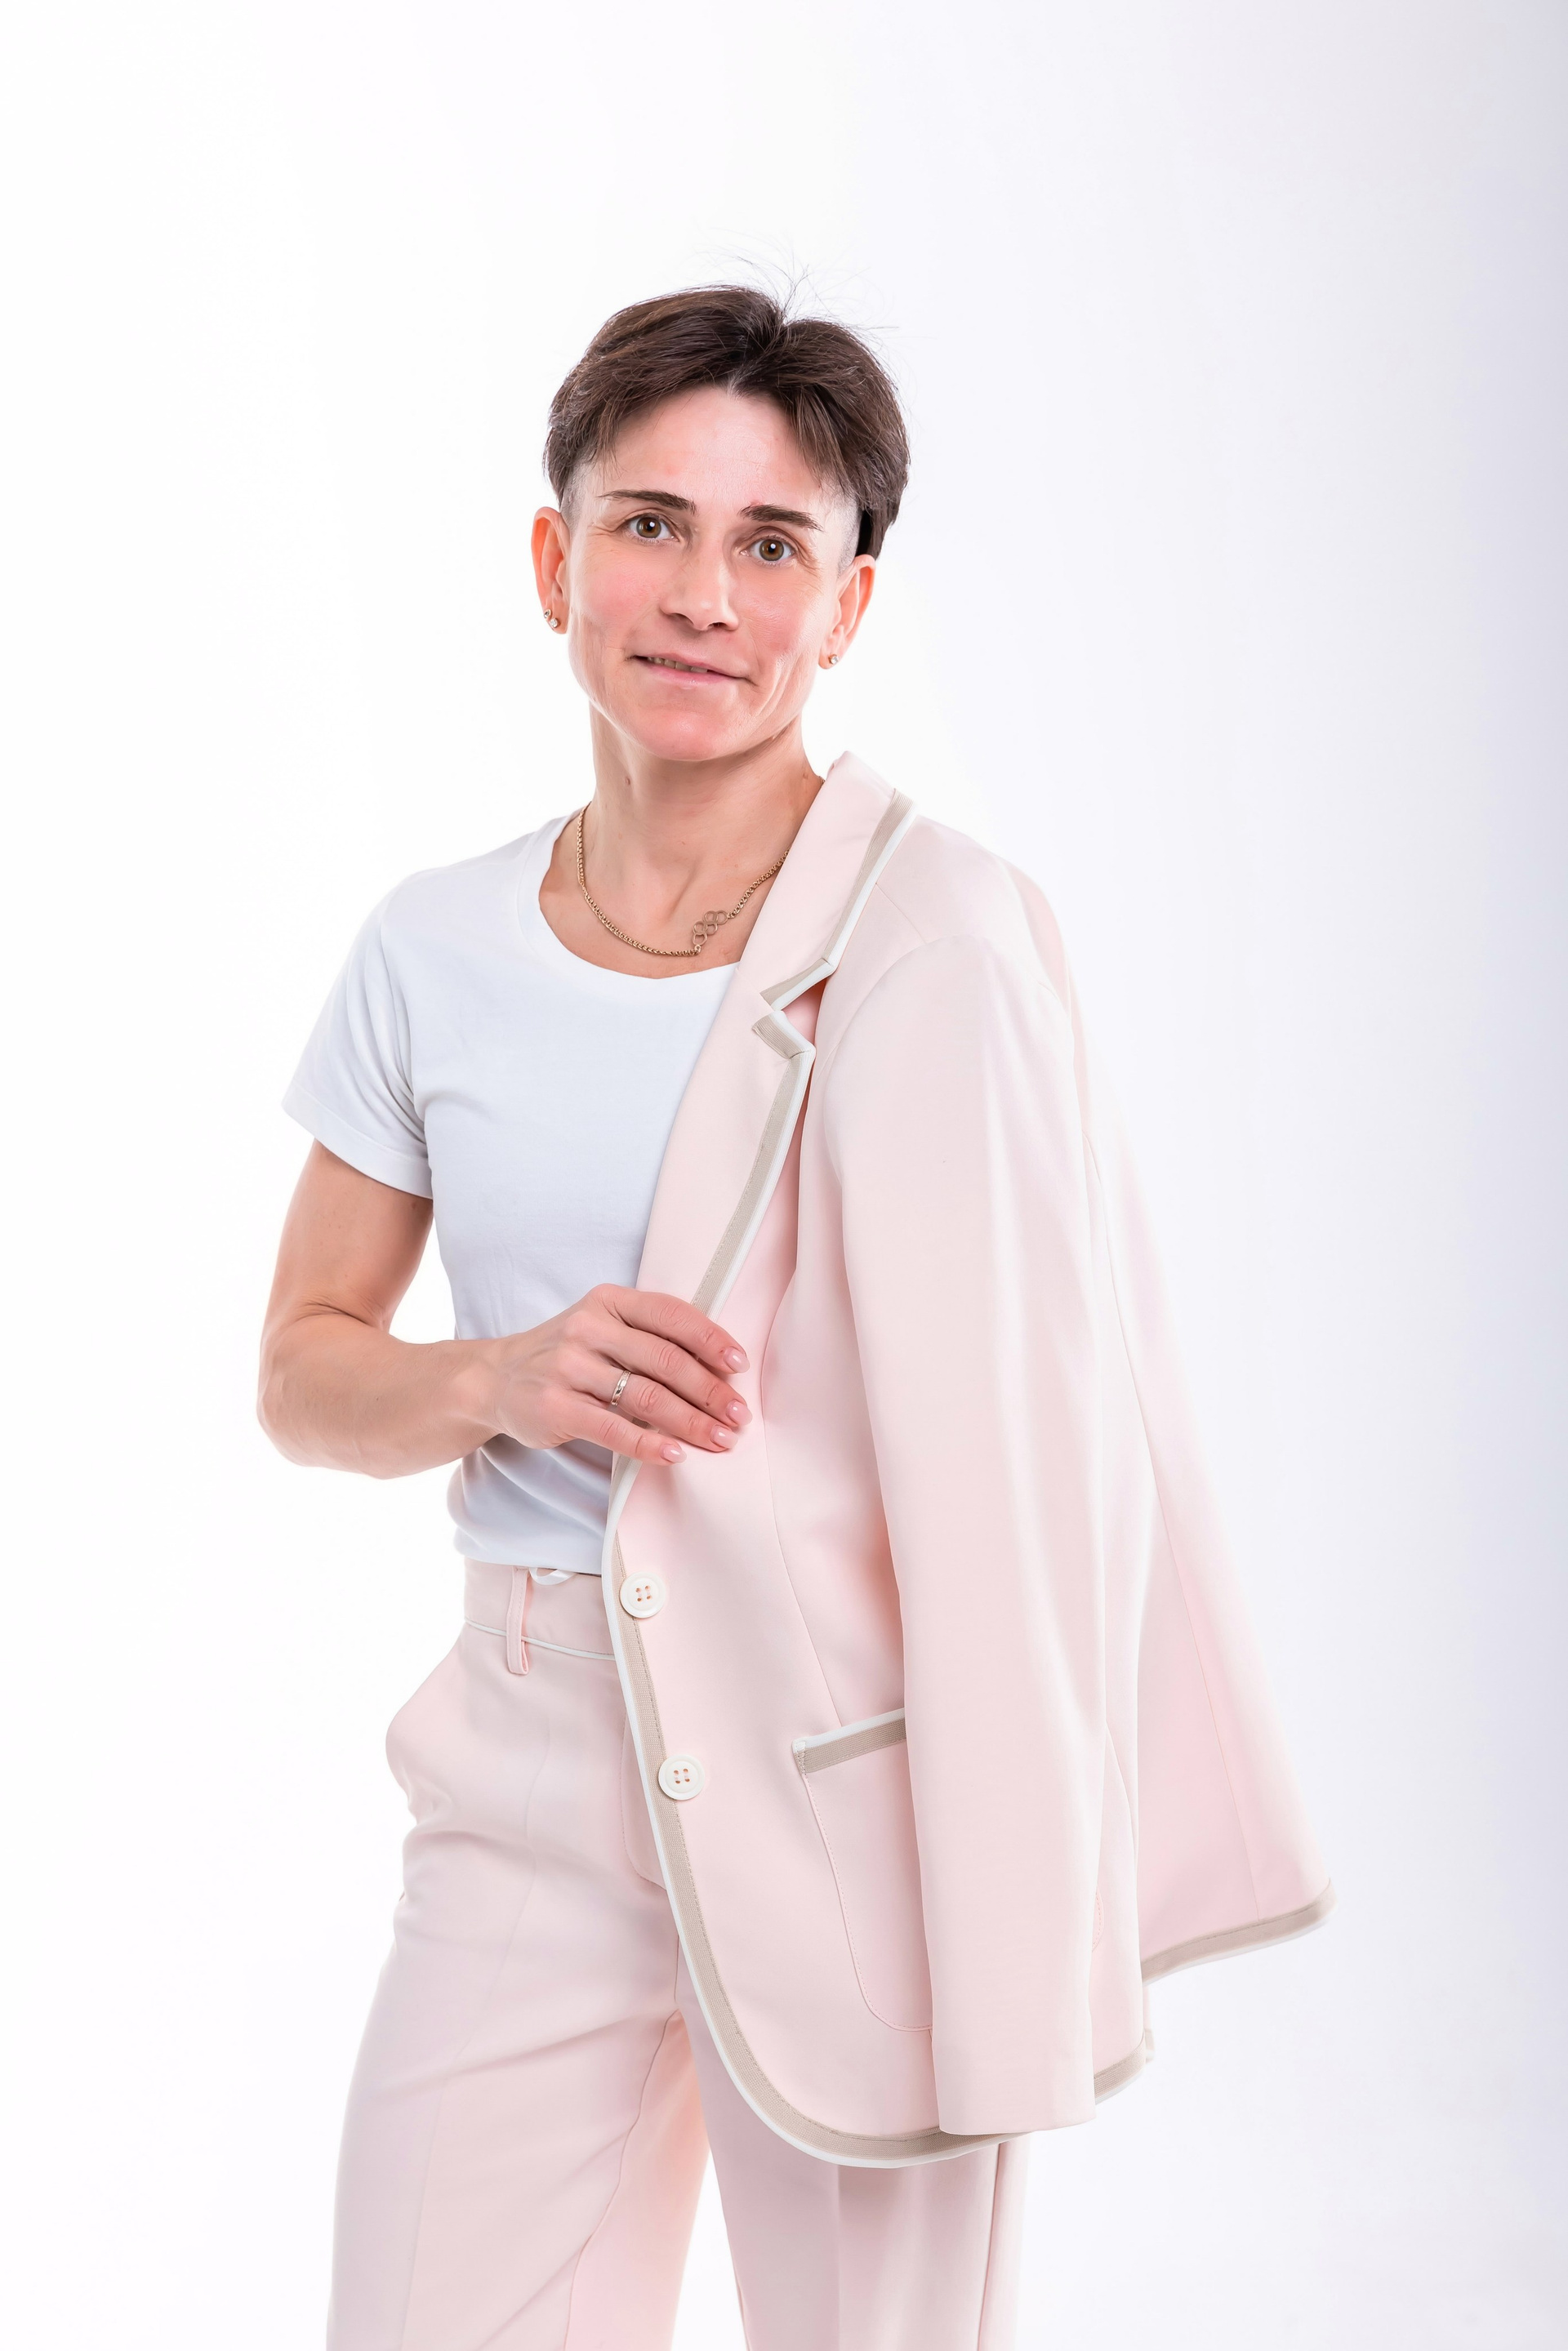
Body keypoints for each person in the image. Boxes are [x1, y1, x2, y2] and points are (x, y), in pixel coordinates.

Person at [260, 286, 1334, 2351]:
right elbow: (305, 1369)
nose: (704, 595)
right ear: (556, 558)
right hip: (529, 1758)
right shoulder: (432, 948)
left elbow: (1032, 1475)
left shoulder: (941, 939)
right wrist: (500, 1376)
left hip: (860, 1778)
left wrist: (1015, 1903)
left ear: (846, 607)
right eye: (650, 525)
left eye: (773, 544)